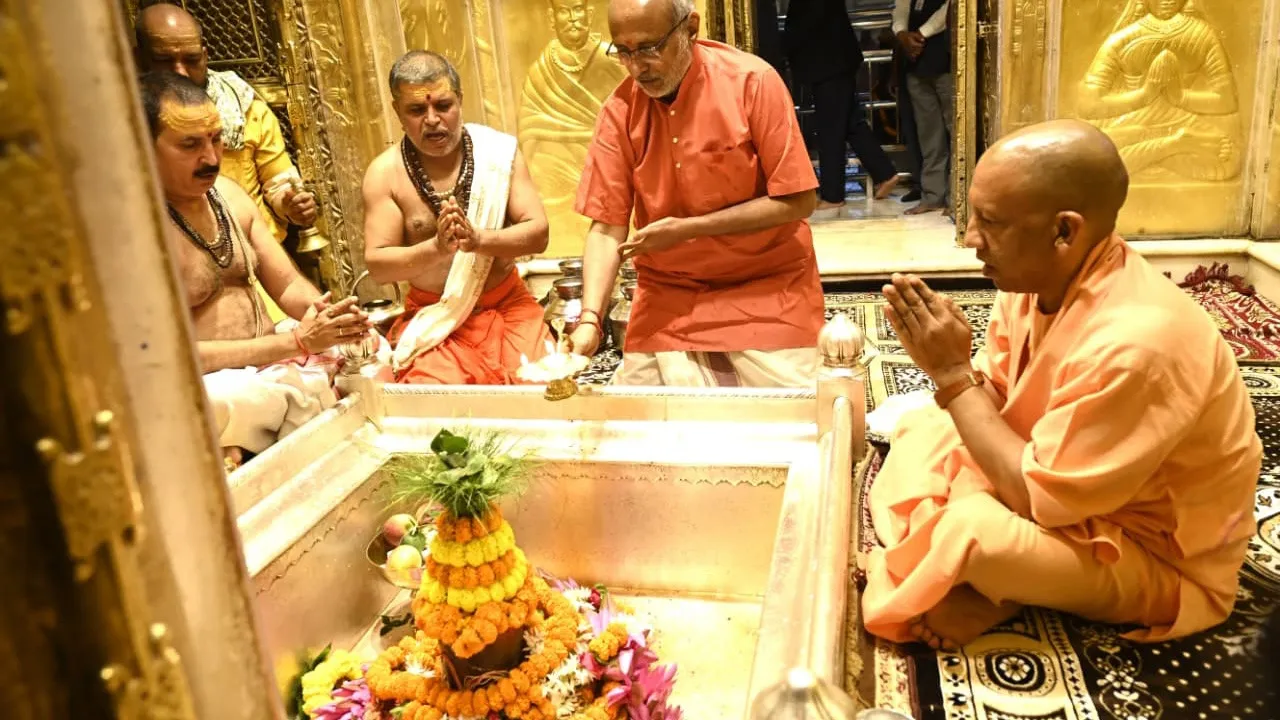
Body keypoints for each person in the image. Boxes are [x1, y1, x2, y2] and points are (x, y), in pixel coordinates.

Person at [862, 119, 1260, 650]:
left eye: (991, 222)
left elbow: (1035, 498)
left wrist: (953, 376)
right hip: (1063, 483)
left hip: (1152, 551)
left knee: (975, 535)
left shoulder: (1137, 344)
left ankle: (993, 579)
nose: (969, 239)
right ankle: (990, 575)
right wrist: (961, 384)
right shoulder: (1032, 280)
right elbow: (1000, 396)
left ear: (1064, 231)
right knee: (921, 425)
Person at [568, 0, 824, 387]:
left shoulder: (753, 81)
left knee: (794, 420)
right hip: (670, 293)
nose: (637, 67)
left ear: (690, 28)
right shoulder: (620, 110)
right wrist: (590, 319)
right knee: (642, 426)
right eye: (624, 51)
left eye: (650, 48)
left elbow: (799, 200)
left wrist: (690, 229)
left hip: (768, 286)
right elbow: (606, 228)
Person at [140, 70, 371, 468]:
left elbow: (286, 287)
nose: (211, 158)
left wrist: (330, 316)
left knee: (373, 353)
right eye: (190, 145)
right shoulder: (138, 231)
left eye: (215, 138)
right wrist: (296, 343)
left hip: (275, 360)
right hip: (218, 381)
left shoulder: (229, 195)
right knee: (219, 401)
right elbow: (173, 356)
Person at [363, 51, 554, 385]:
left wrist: (480, 240)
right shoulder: (385, 174)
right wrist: (436, 248)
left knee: (541, 386)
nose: (433, 119)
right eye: (417, 110)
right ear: (398, 111)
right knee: (435, 402)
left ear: (460, 100)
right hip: (438, 319)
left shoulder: (498, 153)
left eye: (444, 105)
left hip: (509, 309)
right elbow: (378, 265)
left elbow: (538, 233)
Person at [135, 2, 318, 245]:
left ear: (205, 55)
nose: (181, 72)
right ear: (138, 58)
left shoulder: (243, 106)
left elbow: (279, 182)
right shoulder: (124, 124)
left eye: (191, 60)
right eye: (165, 60)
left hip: (256, 253)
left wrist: (290, 204)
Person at [1077, 0, 1241, 181]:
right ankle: (1175, 145)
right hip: (1134, 123)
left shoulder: (1202, 36)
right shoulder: (1124, 38)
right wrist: (1145, 94)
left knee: (1229, 160)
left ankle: (1158, 149)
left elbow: (1227, 100)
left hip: (1182, 121)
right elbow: (1088, 105)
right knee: (1091, 157)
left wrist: (1180, 96)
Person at [518, 0, 628, 252]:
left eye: (577, 9)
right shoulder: (541, 69)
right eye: (564, 12)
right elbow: (529, 128)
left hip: (609, 164)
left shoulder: (610, 58)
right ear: (551, 17)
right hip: (557, 172)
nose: (573, 18)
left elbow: (635, 113)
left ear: (589, 14)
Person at [785, 0, 900, 216]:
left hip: (827, 64)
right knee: (850, 122)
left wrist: (786, 47)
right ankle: (884, 173)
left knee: (831, 129)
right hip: (835, 61)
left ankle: (833, 195)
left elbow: (807, 25)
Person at [892, 0, 953, 215]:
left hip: (947, 61)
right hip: (916, 64)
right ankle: (933, 196)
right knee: (929, 137)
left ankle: (957, 197)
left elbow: (951, 9)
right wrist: (902, 35)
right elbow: (900, 10)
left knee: (957, 132)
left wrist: (920, 34)